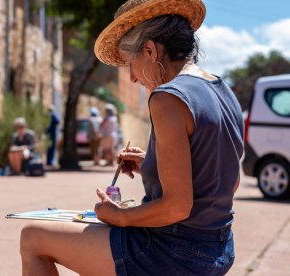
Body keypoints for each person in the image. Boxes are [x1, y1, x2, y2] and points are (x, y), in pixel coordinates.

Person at [20, 0, 244, 275]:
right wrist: (153, 163)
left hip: (175, 251)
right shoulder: (223, 90)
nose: (132, 78)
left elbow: (177, 207)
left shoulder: (168, 97)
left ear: (150, 50)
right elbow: (226, 181)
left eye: (130, 64)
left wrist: (120, 216)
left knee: (33, 236)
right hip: (219, 246)